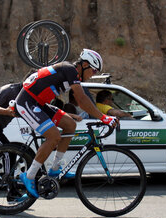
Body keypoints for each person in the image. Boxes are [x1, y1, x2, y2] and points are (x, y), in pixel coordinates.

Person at [15, 49, 118, 198]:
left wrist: (100, 116)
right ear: (84, 65)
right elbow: (82, 100)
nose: (93, 75)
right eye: (93, 71)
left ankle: (55, 168)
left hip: (39, 103)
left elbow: (82, 101)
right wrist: (104, 117)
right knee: (54, 136)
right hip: (27, 102)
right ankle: (29, 176)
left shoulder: (71, 74)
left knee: (70, 125)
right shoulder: (70, 70)